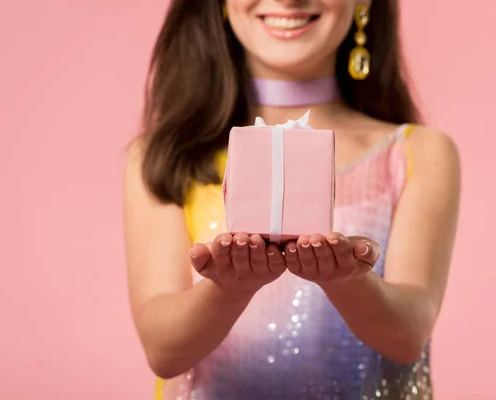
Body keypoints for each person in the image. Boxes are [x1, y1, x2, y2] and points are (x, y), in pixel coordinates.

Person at [124, 0, 460, 399]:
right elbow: (163, 350)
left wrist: (348, 281)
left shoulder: (417, 152)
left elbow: (408, 337)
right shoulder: (166, 157)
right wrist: (228, 289)